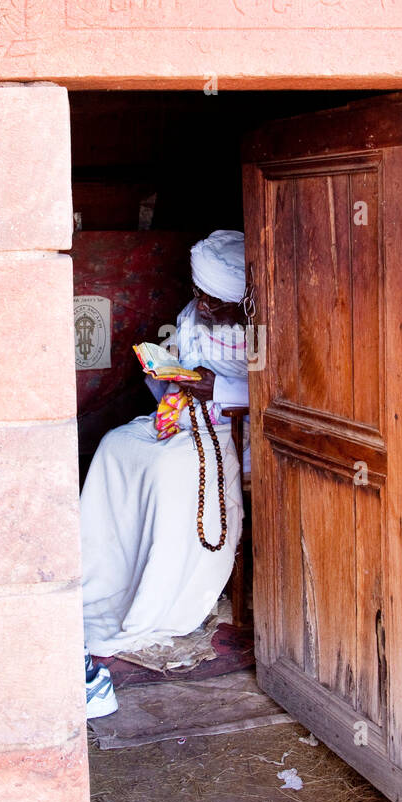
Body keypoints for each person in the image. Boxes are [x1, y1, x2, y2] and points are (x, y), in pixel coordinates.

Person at [82, 230, 250, 714]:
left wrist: (218, 391)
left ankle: (161, 596)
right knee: (116, 446)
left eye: (213, 298)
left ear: (238, 298)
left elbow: (279, 391)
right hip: (184, 419)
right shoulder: (192, 317)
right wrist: (168, 376)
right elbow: (181, 371)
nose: (201, 303)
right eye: (199, 293)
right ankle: (105, 574)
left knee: (166, 472)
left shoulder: (262, 327)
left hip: (232, 433)